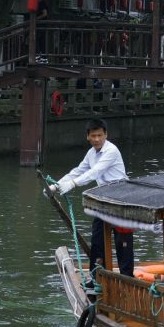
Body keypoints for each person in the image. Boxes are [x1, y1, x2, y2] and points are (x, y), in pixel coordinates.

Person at [55, 119, 131, 277]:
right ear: (87, 136)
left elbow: (95, 172)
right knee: (97, 240)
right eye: (93, 136)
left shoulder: (111, 151)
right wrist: (56, 185)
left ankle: (127, 278)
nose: (97, 139)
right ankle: (96, 278)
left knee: (122, 242)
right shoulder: (91, 153)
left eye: (100, 135)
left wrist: (73, 184)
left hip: (122, 198)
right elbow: (78, 170)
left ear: (106, 135)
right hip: (104, 199)